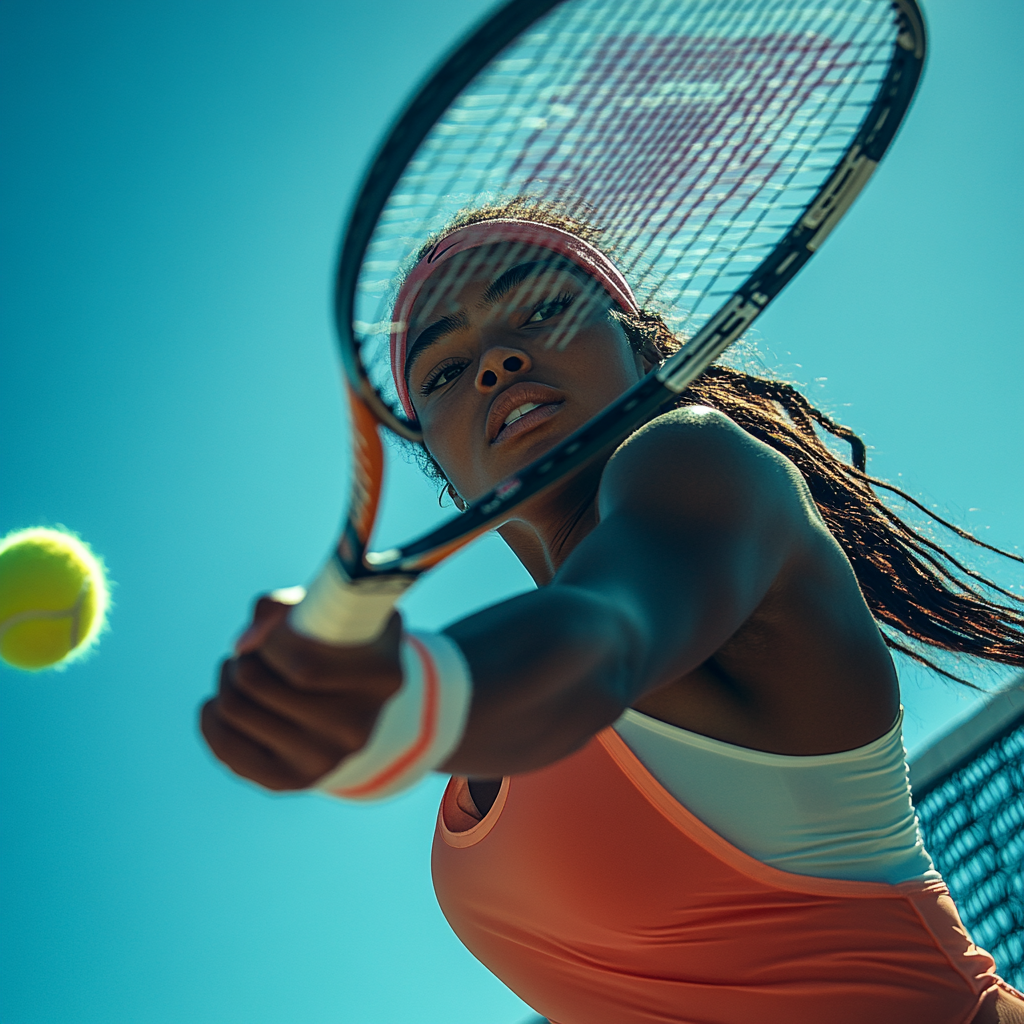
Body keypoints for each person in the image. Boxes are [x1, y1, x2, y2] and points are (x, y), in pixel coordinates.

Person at [201, 202, 1024, 1023]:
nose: (494, 361)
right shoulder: (483, 736)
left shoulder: (703, 462)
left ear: (641, 343)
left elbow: (606, 637)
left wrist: (395, 710)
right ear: (442, 467)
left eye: (544, 309)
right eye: (444, 371)